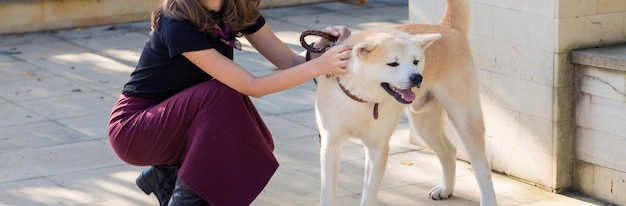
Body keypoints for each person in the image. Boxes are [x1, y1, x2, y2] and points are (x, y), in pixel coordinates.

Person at [107, 0, 352, 205]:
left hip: (176, 119)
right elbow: (252, 86)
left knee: (237, 118)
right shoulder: (176, 24)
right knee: (222, 93)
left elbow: (290, 62)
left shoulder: (237, 9)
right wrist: (320, 66)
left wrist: (325, 47)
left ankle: (167, 177)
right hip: (135, 129)